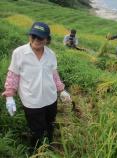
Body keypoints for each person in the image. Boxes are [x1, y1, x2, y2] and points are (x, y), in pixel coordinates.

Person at [2, 22, 72, 150]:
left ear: (47, 39)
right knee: (36, 129)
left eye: (40, 38)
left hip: (50, 99)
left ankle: (49, 144)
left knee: (50, 123)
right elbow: (13, 75)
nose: (36, 40)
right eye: (33, 36)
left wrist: (61, 90)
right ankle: (36, 149)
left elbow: (54, 74)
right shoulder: (20, 53)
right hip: (32, 101)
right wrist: (9, 96)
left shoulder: (51, 54)